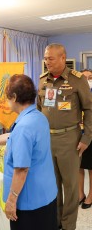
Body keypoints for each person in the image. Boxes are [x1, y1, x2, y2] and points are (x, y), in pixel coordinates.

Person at [0, 74, 58, 230]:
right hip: (46, 194)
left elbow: (21, 169)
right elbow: (13, 137)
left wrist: (11, 201)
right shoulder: (38, 117)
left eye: (7, 97)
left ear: (14, 97)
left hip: (29, 201)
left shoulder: (24, 127)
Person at [37, 43, 92, 230]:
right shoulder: (43, 80)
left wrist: (87, 138)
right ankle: (57, 221)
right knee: (52, 184)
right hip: (47, 139)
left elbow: (89, 109)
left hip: (70, 139)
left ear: (62, 57)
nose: (47, 62)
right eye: (45, 58)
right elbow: (39, 109)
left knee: (70, 186)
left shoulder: (77, 80)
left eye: (50, 58)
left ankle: (68, 225)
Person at [79, 69, 92, 209]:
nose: (87, 80)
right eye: (85, 77)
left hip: (91, 133)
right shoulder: (74, 92)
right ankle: (80, 193)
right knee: (78, 165)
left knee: (91, 167)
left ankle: (91, 195)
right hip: (77, 133)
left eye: (90, 77)